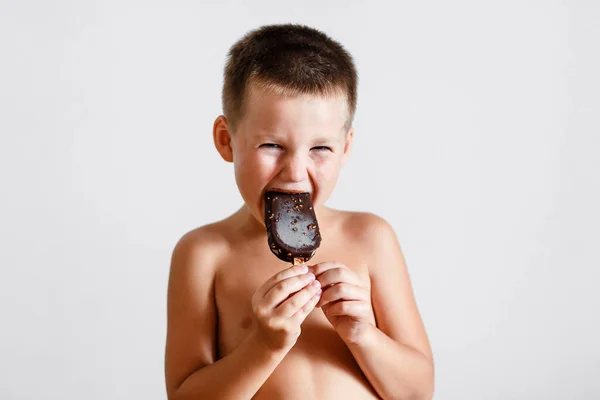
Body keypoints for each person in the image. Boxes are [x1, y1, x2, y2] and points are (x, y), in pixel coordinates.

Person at [164, 23, 434, 400]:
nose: (294, 172)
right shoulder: (204, 253)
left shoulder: (371, 237)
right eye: (272, 144)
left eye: (320, 149)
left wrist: (362, 333)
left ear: (346, 147)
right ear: (227, 140)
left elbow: (418, 392)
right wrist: (265, 345)